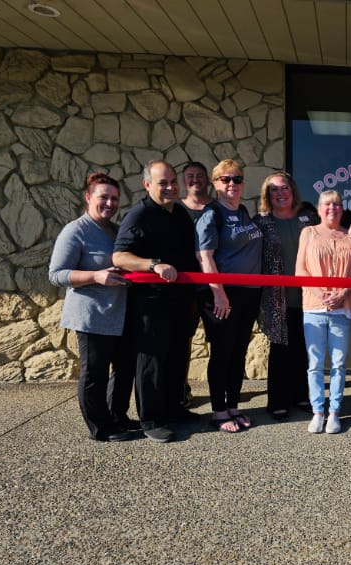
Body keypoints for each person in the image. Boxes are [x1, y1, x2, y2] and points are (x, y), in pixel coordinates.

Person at [113, 160, 200, 443]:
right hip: (150, 302)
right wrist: (153, 264)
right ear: (147, 184)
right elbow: (119, 257)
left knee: (177, 356)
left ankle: (173, 409)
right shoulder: (139, 215)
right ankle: (150, 419)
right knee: (151, 360)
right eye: (163, 183)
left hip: (180, 300)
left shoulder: (180, 215)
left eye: (173, 181)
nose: (170, 187)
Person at [48, 173, 135, 442]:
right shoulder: (76, 230)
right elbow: (57, 274)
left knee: (124, 369)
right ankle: (100, 427)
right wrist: (95, 276)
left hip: (119, 314)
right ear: (88, 198)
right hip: (91, 317)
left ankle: (117, 416)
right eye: (103, 197)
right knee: (94, 374)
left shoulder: (116, 229)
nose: (109, 203)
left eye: (114, 198)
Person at [194, 160, 263, 432]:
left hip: (248, 293)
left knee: (239, 352)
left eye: (236, 179)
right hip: (222, 293)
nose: (231, 184)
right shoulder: (212, 215)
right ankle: (219, 411)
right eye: (225, 180)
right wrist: (219, 293)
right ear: (215, 183)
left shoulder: (244, 211)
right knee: (222, 352)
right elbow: (205, 257)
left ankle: (233, 405)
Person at [296, 190, 351, 435]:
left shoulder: (350, 235)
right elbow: (300, 270)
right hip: (314, 307)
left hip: (341, 308)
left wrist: (342, 293)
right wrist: (321, 292)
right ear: (319, 208)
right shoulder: (308, 233)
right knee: (314, 364)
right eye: (327, 203)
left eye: (336, 204)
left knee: (338, 363)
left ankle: (334, 411)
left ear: (342, 209)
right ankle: (317, 411)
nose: (331, 208)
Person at [254, 171, 318, 420]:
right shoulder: (260, 222)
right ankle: (278, 400)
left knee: (304, 347)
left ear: (292, 191)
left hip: (308, 296)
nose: (280, 193)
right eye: (274, 189)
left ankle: (302, 395)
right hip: (275, 298)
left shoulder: (309, 218)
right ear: (267, 194)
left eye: (284, 188)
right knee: (280, 349)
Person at [179, 161, 212, 408]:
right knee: (183, 340)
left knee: (220, 341)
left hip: (214, 285)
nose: (195, 180)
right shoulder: (176, 210)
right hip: (184, 286)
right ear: (183, 180)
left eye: (200, 176)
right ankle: (181, 387)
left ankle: (221, 390)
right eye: (190, 176)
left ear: (207, 180)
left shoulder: (218, 208)